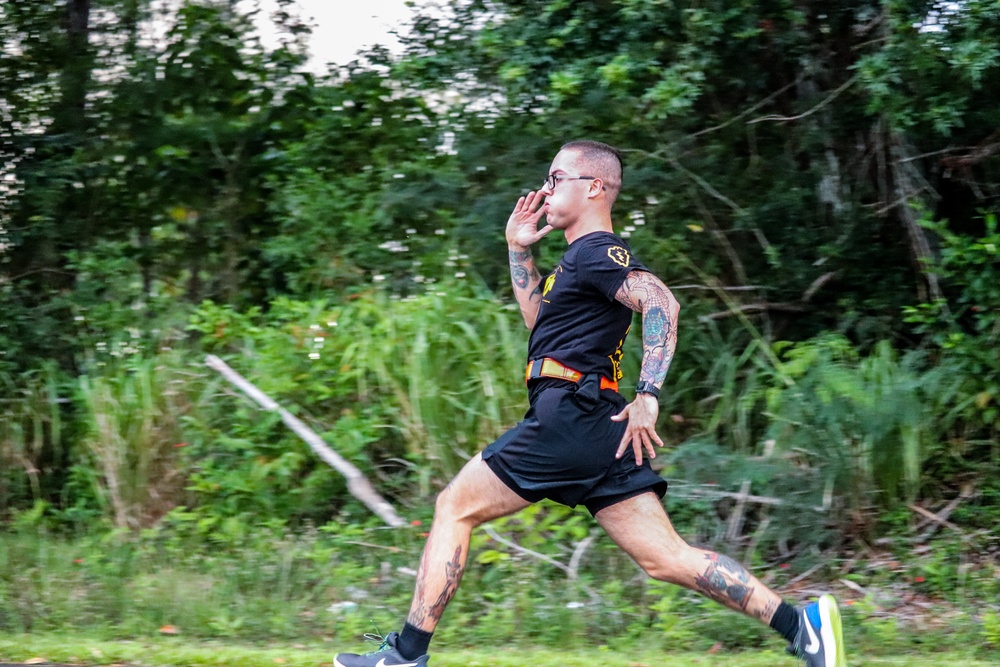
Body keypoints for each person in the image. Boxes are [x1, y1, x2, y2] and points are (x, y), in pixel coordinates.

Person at [334, 140, 847, 667]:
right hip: (602, 424)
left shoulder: (596, 251)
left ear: (595, 187)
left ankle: (405, 655)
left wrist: (649, 394)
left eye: (557, 178)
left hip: (571, 415)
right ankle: (801, 626)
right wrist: (518, 250)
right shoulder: (574, 263)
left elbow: (661, 302)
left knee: (454, 507)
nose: (545, 189)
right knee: (665, 558)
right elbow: (541, 325)